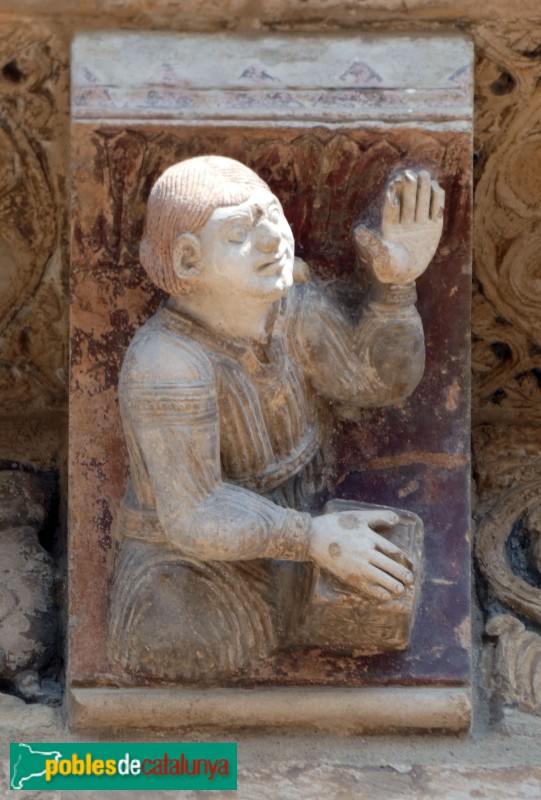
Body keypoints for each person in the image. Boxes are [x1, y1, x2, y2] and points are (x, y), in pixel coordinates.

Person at [109, 155, 444, 682]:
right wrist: (314, 540)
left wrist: (396, 287)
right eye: (241, 232)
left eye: (272, 215)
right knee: (180, 642)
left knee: (393, 587)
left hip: (309, 524)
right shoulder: (166, 364)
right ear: (189, 260)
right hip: (193, 566)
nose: (272, 239)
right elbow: (195, 513)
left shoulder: (293, 309)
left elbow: (375, 381)